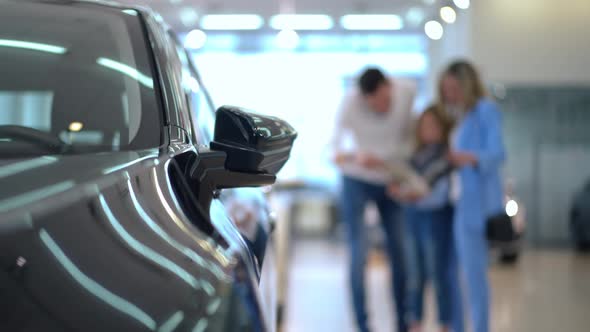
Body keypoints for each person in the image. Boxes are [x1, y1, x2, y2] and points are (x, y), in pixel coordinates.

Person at [331, 68, 416, 332]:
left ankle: (403, 321)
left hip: (390, 177)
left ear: (389, 86)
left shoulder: (407, 93)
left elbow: (412, 144)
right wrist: (356, 155)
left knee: (400, 252)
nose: (380, 107)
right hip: (356, 178)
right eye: (373, 103)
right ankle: (363, 325)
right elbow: (335, 148)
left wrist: (386, 161)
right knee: (358, 252)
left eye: (383, 99)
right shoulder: (350, 102)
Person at [440, 60, 506, 332]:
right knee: (455, 277)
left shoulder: (485, 111)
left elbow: (497, 154)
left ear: (466, 85)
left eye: (453, 88)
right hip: (457, 203)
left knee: (474, 278)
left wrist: (465, 158)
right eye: (445, 89)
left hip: (476, 207)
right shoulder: (458, 116)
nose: (449, 95)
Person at [387, 105, 463, 332]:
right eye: (424, 125)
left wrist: (414, 196)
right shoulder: (414, 158)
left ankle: (444, 325)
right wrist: (401, 193)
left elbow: (439, 195)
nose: (428, 130)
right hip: (413, 220)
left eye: (433, 125)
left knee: (438, 275)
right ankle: (415, 323)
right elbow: (406, 186)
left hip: (435, 220)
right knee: (415, 276)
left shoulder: (446, 158)